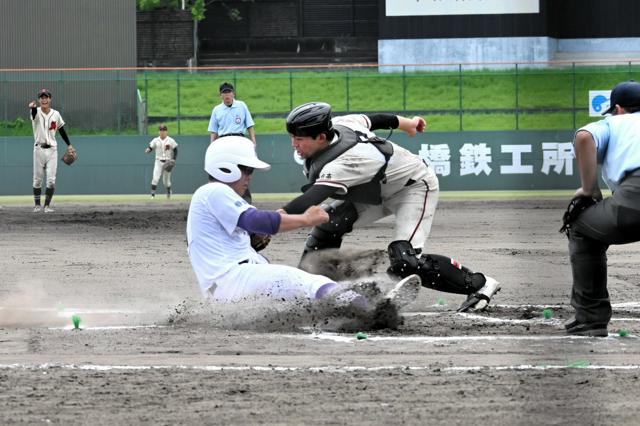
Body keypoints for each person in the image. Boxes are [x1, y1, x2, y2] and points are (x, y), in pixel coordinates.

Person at [282, 102, 501, 312]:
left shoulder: (349, 160)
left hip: (414, 188)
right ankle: (311, 290)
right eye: (292, 137)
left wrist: (268, 220)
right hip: (378, 192)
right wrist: (410, 124)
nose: (294, 144)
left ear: (321, 137)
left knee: (405, 262)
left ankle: (479, 284)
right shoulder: (342, 124)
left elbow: (312, 198)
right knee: (329, 224)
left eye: (299, 138)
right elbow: (376, 119)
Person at [186, 136, 421, 328]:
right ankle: (374, 310)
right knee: (308, 282)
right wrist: (305, 219)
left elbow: (233, 238)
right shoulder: (215, 191)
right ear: (226, 168)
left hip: (229, 287)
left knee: (301, 297)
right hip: (234, 280)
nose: (249, 176)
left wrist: (252, 242)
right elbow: (257, 219)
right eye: (246, 169)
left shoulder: (211, 198)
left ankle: (354, 310)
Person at [563, 80, 640, 337]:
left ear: (617, 108)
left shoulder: (615, 122)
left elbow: (584, 137)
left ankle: (591, 318)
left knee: (581, 226)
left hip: (634, 199)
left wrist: (589, 190)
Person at [28, 89, 73, 213]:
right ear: (39, 100)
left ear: (50, 99)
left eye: (46, 97)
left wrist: (69, 145)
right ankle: (37, 206)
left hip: (52, 150)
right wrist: (32, 108)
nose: (44, 99)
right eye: (41, 97)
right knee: (37, 179)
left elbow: (61, 130)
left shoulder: (56, 114)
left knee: (51, 180)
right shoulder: (35, 112)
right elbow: (32, 115)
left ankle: (46, 206)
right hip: (39, 149)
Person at [145, 123, 178, 199]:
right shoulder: (155, 140)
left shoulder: (171, 140)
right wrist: (148, 150)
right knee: (155, 178)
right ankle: (152, 195)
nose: (162, 131)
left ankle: (169, 191)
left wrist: (174, 159)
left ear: (167, 131)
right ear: (158, 132)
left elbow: (176, 150)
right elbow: (150, 147)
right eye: (161, 130)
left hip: (167, 162)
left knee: (166, 182)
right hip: (158, 161)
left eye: (164, 130)